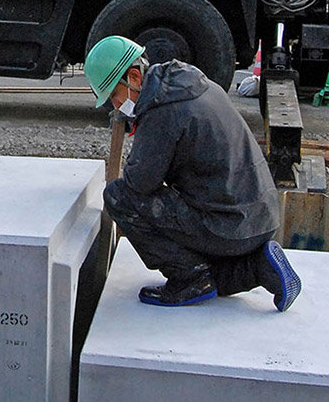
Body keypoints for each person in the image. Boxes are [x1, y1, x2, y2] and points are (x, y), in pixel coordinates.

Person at [84, 36, 302, 311]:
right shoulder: (191, 84)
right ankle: (260, 266)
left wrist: (143, 134)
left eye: (115, 96)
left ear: (134, 77)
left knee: (118, 196)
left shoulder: (161, 112)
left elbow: (140, 183)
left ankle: (188, 278)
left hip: (226, 225)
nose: (116, 107)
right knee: (212, 279)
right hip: (260, 219)